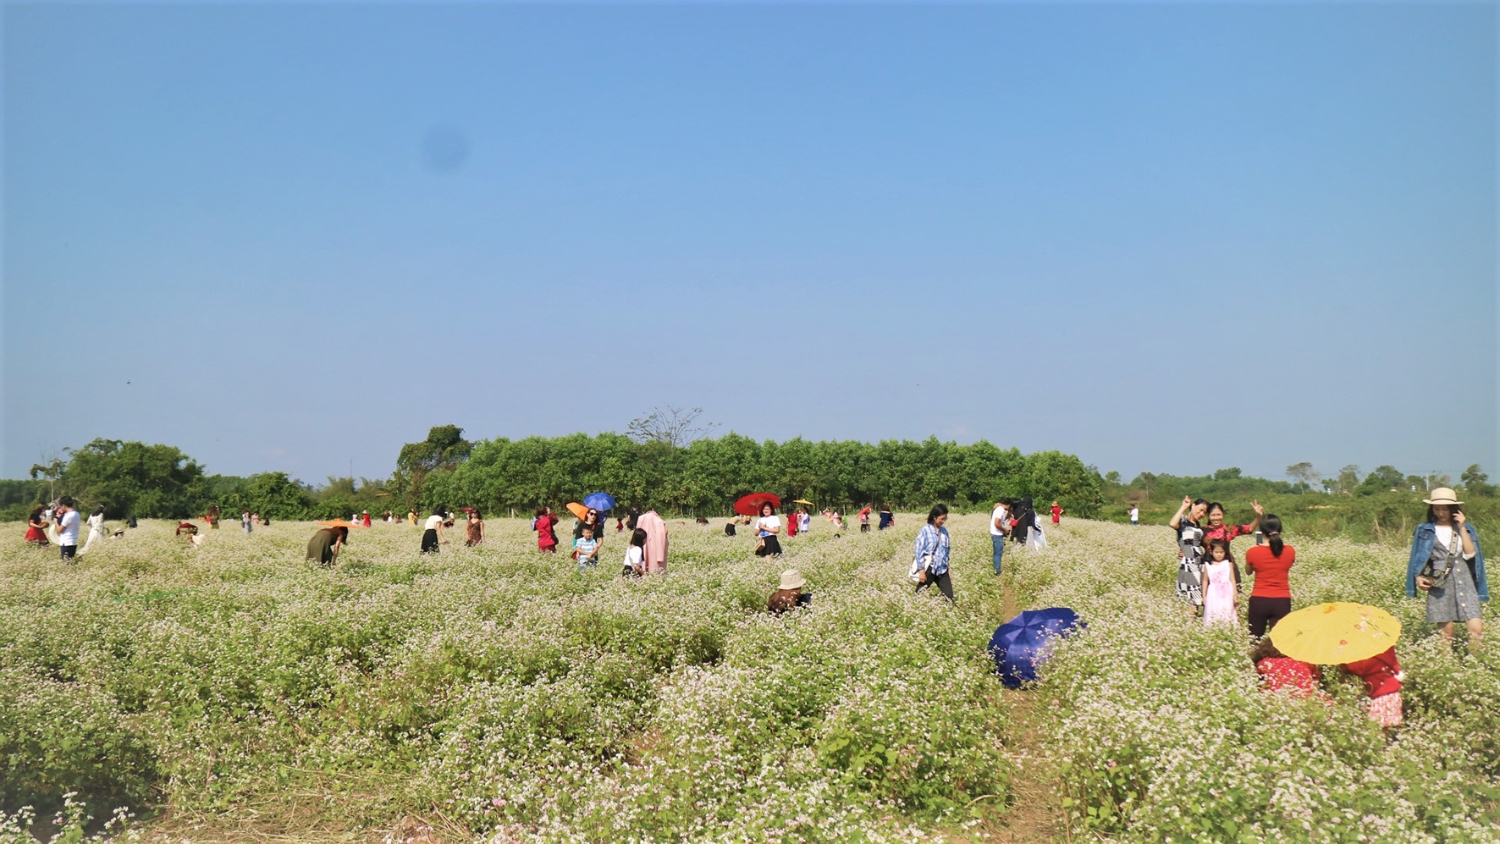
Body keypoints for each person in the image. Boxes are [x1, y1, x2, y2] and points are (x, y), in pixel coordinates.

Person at [1406, 488, 1486, 649]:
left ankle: (1473, 663)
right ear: (1432, 509)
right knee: (1447, 633)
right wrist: (1418, 577)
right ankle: (1448, 663)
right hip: (1440, 580)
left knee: (1476, 629)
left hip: (1464, 578)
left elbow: (1470, 553)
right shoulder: (1425, 529)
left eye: (1445, 509)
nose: (1441, 513)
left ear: (1453, 509)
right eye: (1437, 508)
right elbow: (1418, 557)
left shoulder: (1466, 528)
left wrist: (1462, 527)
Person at [1244, 514, 1294, 637]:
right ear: (1280, 530)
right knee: (1280, 640)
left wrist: (1256, 548)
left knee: (1255, 639)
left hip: (1259, 600)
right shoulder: (1290, 551)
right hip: (1282, 600)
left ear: (1261, 531)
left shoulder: (1253, 552)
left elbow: (1248, 571)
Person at [1202, 501, 1264, 588]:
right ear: (1208, 515)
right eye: (1213, 515)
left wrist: (1258, 516)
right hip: (1210, 569)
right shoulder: (1202, 531)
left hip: (1228, 567)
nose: (1216, 518)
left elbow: (1249, 529)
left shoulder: (1228, 529)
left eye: (1219, 515)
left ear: (1223, 515)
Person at [1342, 646, 1403, 730]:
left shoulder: (1372, 656)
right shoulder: (1383, 647)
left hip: (1382, 696)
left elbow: (1359, 667)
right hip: (1390, 693)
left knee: (1377, 728)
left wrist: (1344, 661)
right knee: (1387, 728)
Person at [1169, 497, 1210, 610]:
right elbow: (1172, 524)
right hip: (1188, 563)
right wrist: (1183, 507)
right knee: (1190, 596)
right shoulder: (1183, 522)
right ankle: (1190, 620)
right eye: (1200, 510)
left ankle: (1194, 620)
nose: (1201, 514)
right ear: (1193, 506)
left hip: (1199, 562)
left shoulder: (1198, 526)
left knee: (1197, 595)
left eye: (1204, 512)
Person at [1252, 637, 1322, 699]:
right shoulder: (1304, 661)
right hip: (1305, 699)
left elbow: (1258, 681)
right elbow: (1316, 678)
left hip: (1276, 698)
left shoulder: (1265, 663)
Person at [912, 504, 954, 602]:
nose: (943, 521)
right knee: (919, 595)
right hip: (929, 568)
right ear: (934, 517)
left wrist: (947, 564)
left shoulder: (944, 531)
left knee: (949, 596)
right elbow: (918, 550)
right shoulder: (925, 531)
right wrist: (921, 570)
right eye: (942, 519)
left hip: (942, 569)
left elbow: (947, 550)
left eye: (945, 519)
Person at [1201, 539, 1239, 628]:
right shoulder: (1208, 565)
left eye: (1221, 552)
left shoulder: (1228, 564)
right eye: (1216, 552)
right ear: (1211, 552)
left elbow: (1232, 579)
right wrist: (1204, 596)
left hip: (1227, 592)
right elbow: (1205, 580)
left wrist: (1235, 594)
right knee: (1213, 610)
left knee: (1227, 610)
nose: (1219, 554)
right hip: (1213, 592)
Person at [54, 497, 80, 562]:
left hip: (66, 542)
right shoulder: (76, 513)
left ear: (64, 505)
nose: (61, 508)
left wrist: (55, 522)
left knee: (66, 563)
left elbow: (59, 530)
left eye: (61, 506)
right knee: (70, 562)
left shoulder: (69, 516)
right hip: (73, 541)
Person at [989, 499, 1010, 576]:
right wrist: (1005, 530)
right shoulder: (1000, 510)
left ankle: (996, 568)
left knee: (996, 553)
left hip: (995, 534)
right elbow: (997, 523)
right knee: (998, 553)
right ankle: (997, 571)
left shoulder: (998, 509)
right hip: (997, 534)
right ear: (1008, 505)